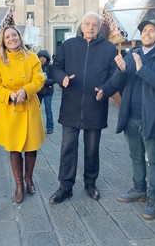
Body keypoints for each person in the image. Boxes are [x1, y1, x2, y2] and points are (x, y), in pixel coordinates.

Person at [97, 19, 155, 220]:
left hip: (152, 117)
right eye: (144, 30)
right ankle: (139, 189)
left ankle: (154, 197)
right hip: (131, 116)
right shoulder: (132, 56)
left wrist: (142, 69)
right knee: (136, 156)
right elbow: (117, 81)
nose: (147, 33)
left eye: (151, 31)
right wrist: (108, 87)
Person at [49, 12, 117, 204]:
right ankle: (65, 186)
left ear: (100, 28)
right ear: (81, 26)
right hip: (71, 106)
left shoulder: (109, 49)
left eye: (95, 25)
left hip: (95, 106)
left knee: (92, 149)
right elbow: (55, 67)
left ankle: (90, 183)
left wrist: (106, 90)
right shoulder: (69, 46)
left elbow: (115, 76)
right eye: (87, 24)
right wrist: (61, 78)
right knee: (67, 148)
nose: (90, 28)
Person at [0, 25, 45, 203]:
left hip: (29, 107)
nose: (12, 39)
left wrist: (26, 90)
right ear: (3, 42)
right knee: (14, 149)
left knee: (31, 148)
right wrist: (9, 95)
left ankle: (29, 178)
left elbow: (39, 79)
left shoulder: (32, 57)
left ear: (20, 37)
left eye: (14, 35)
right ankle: (19, 184)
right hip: (10, 110)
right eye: (7, 37)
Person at [37, 49, 55, 134]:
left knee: (48, 109)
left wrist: (44, 82)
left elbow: (54, 79)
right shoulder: (36, 67)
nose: (42, 59)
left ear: (47, 58)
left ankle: (50, 127)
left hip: (48, 91)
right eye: (40, 57)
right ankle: (37, 127)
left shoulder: (50, 67)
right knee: (37, 110)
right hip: (38, 92)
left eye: (44, 58)